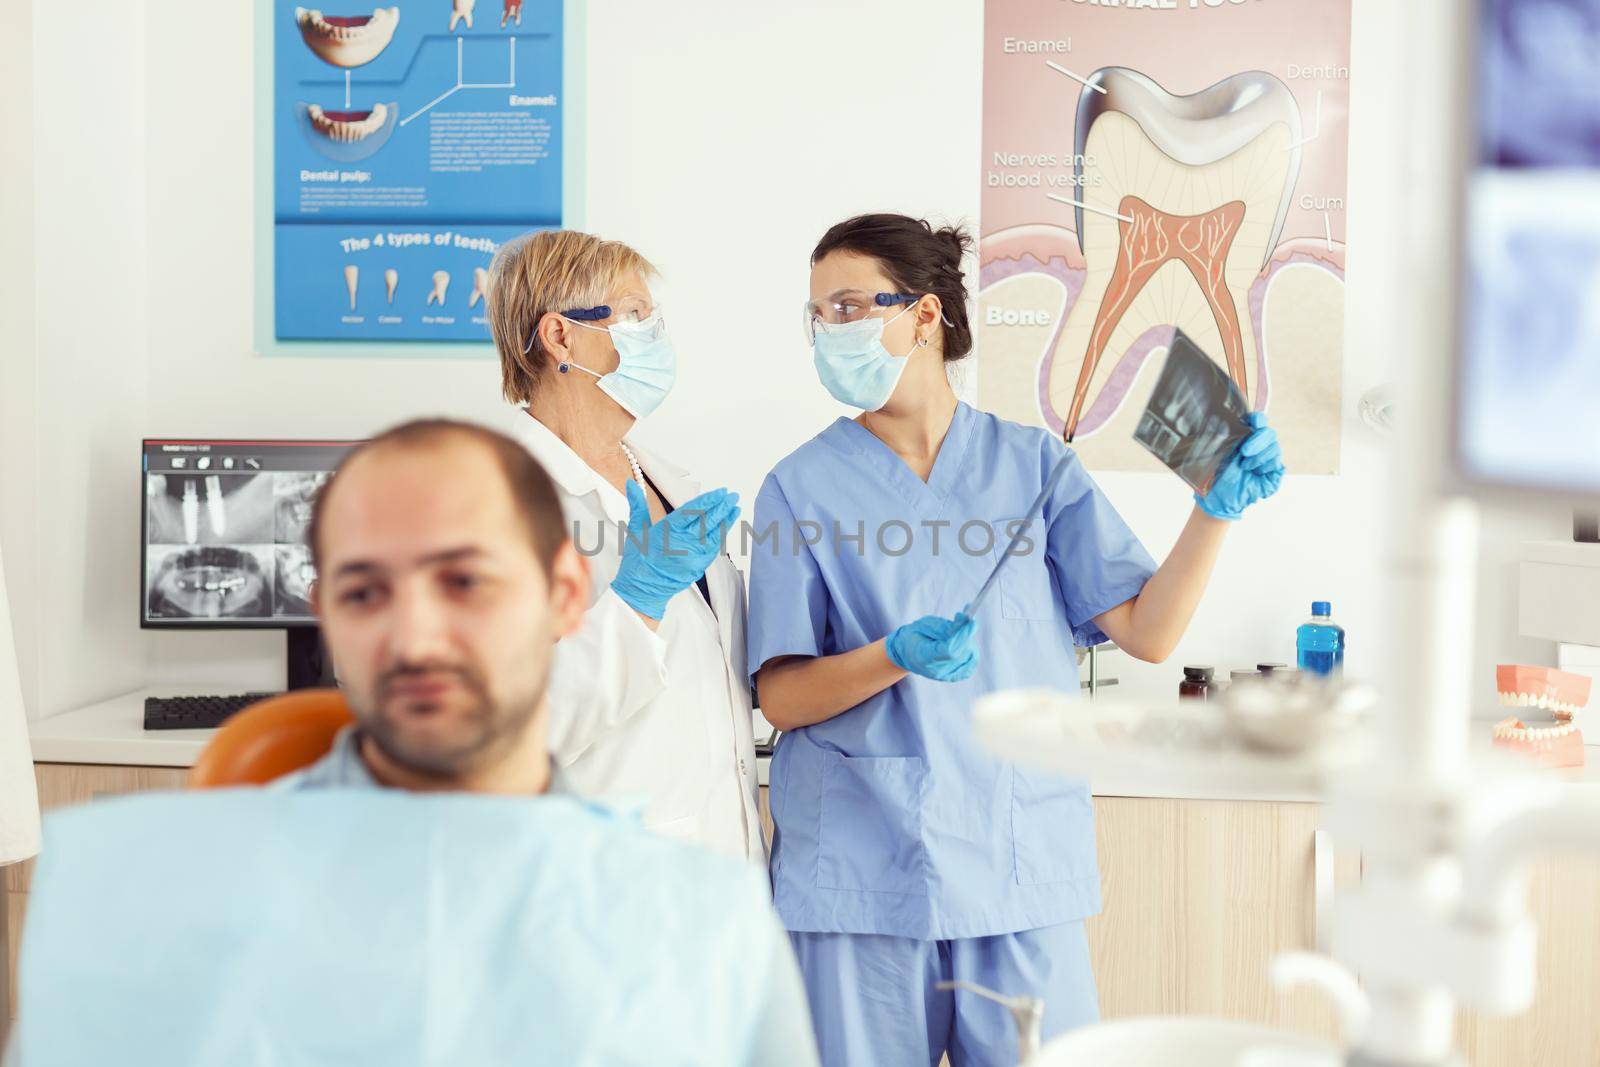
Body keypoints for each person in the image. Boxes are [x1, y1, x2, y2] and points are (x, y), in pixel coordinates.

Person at [9, 420, 818, 1067]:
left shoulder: (708, 928)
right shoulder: (130, 911)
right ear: (324, 608)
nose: (417, 636)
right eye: (366, 590)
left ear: (566, 595)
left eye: (466, 581)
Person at [746, 214, 1285, 1066]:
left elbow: (1148, 631)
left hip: (1017, 856)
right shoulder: (797, 487)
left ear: (924, 316)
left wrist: (1213, 509)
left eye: (849, 306)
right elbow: (779, 694)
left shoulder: (1035, 467)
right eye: (818, 314)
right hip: (859, 874)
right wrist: (892, 657)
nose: (829, 331)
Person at [484, 230, 761, 861]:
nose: (654, 335)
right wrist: (634, 604)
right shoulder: (493, 503)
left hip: (716, 873)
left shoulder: (666, 481)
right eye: (634, 315)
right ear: (561, 336)